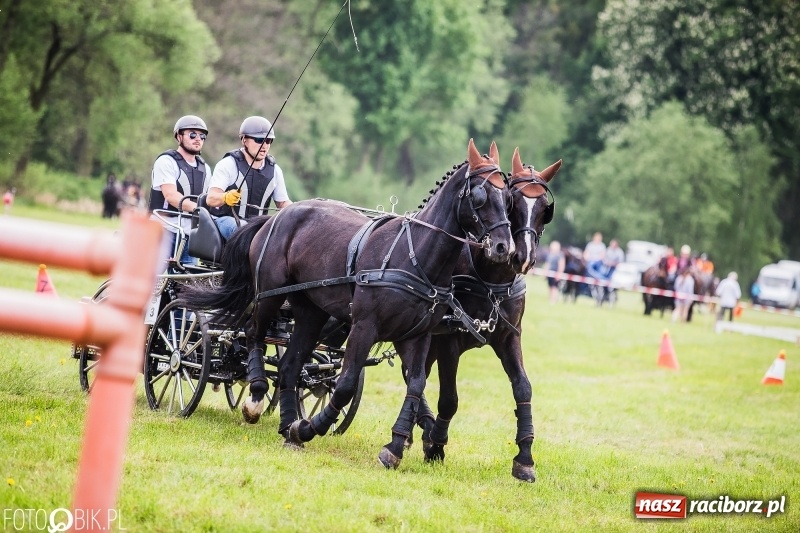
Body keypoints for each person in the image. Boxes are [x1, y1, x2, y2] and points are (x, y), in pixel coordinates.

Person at [206, 116, 292, 239]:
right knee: (245, 230)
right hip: (225, 221)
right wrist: (225, 197)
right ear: (244, 140)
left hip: (257, 226)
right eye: (259, 140)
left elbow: (283, 203)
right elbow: (211, 199)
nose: (264, 145)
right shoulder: (228, 164)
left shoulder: (275, 170)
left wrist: (300, 211)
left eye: (268, 141)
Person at [149, 114, 212, 265]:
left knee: (186, 284)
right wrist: (199, 209)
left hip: (190, 233)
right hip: (164, 228)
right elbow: (171, 195)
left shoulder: (206, 168)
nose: (198, 139)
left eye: (202, 136)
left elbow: (208, 199)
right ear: (179, 136)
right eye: (192, 134)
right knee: (153, 279)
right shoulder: (166, 161)